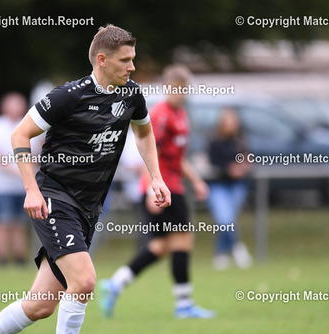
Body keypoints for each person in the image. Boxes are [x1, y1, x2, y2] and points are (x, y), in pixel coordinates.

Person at [0, 24, 171, 334]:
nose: (132, 67)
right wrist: (32, 189)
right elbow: (20, 135)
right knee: (85, 281)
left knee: (41, 305)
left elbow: (143, 133)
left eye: (133, 59)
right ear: (102, 60)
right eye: (126, 60)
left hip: (88, 209)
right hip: (54, 199)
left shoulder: (131, 95)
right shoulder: (67, 96)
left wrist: (156, 177)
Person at [99, 64, 215, 319]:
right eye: (174, 89)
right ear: (166, 88)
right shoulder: (161, 115)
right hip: (163, 188)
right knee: (183, 240)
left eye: (182, 89)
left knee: (160, 246)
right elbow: (149, 154)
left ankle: (115, 284)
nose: (179, 94)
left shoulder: (181, 114)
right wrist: (152, 189)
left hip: (172, 186)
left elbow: (176, 157)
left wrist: (196, 180)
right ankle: (184, 305)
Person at [0, 92, 29, 266]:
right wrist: (16, 171)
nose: (18, 107)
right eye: (14, 104)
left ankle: (19, 258)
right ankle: (1, 258)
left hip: (23, 186)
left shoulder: (26, 124)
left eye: (20, 103)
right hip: (2, 185)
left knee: (19, 223)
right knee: (3, 221)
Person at [206, 108, 252, 270]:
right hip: (219, 185)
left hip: (237, 185)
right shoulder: (214, 141)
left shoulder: (240, 141)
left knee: (229, 220)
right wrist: (229, 169)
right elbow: (214, 162)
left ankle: (221, 253)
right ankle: (237, 247)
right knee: (224, 220)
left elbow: (247, 157)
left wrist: (244, 166)